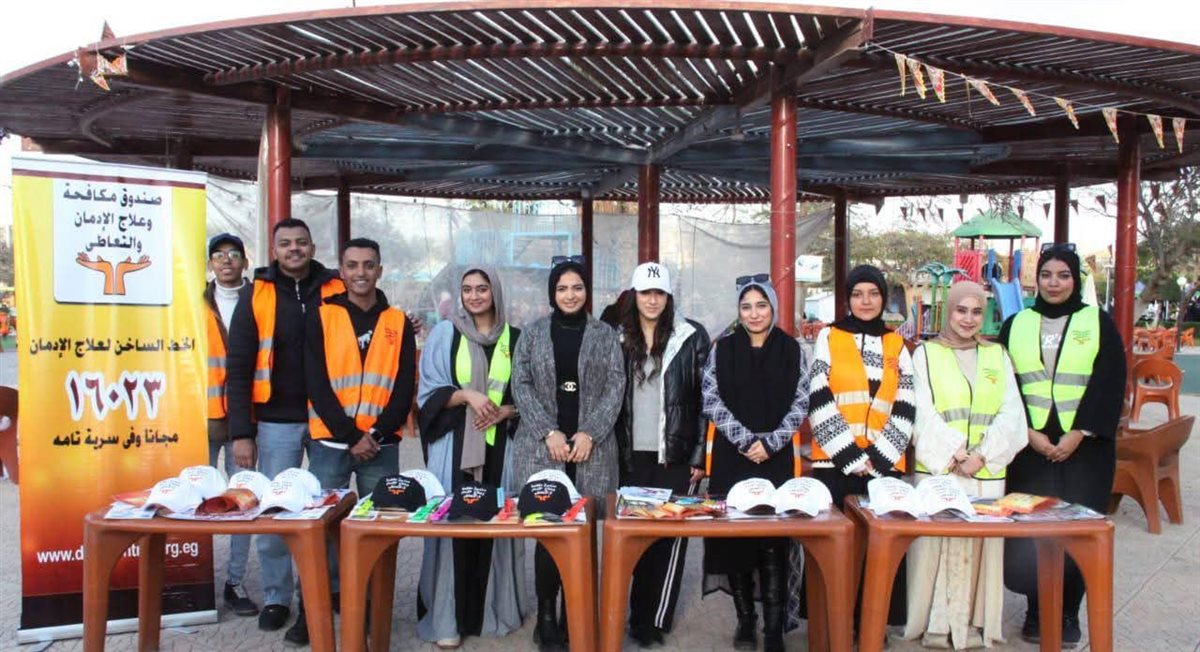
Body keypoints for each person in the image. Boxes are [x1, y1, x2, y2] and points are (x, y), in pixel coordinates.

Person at [999, 243, 1126, 648]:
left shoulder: (1097, 321)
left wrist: (1080, 432)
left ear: (1076, 279)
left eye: (1064, 275)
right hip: (1030, 446)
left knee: (1077, 529)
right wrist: (1028, 433)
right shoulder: (1016, 324)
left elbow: (1110, 379)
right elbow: (1004, 383)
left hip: (1085, 447)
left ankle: (1068, 611)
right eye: (1047, 275)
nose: (1054, 283)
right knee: (1031, 529)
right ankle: (1037, 609)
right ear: (1036, 279)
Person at [225, 217, 344, 640]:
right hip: (275, 420)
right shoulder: (256, 292)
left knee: (327, 508)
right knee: (275, 511)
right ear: (274, 250)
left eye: (301, 242)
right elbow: (238, 365)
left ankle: (329, 588)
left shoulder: (335, 286)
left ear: (312, 247)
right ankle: (278, 597)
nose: (294, 249)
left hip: (329, 418)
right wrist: (242, 432)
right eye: (286, 243)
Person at [299, 238, 416, 645]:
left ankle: (369, 605)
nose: (361, 273)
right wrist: (351, 435)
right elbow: (315, 382)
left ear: (380, 270)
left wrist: (377, 434)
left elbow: (403, 385)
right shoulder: (321, 316)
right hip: (331, 443)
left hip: (381, 446)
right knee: (319, 528)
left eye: (369, 265)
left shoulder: (398, 321)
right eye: (352, 265)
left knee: (377, 527)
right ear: (342, 271)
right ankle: (310, 608)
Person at [508, 256, 624, 652]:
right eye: (562, 288)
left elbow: (616, 386)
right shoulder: (533, 334)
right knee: (549, 532)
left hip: (592, 450)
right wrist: (548, 431)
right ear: (552, 293)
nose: (570, 295)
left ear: (587, 292)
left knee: (584, 531)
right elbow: (521, 384)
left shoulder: (605, 334)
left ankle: (575, 613)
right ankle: (546, 616)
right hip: (545, 450)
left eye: (577, 287)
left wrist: (590, 432)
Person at [904, 281, 1028, 649]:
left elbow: (1011, 412)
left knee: (981, 549)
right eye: (961, 310)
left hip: (986, 472)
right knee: (934, 546)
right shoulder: (925, 354)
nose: (968, 319)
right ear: (949, 311)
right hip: (941, 469)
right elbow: (920, 411)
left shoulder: (997, 355)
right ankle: (933, 624)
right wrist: (956, 454)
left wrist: (982, 455)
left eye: (976, 312)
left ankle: (976, 623)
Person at [416, 265, 525, 648]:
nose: (474, 296)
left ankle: (493, 611)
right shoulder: (445, 334)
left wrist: (507, 410)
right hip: (455, 447)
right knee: (453, 525)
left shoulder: (516, 338)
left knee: (496, 524)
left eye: (482, 288)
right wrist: (466, 396)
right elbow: (428, 393)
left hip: (500, 448)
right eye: (467, 289)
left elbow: (530, 395)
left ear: (495, 291)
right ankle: (447, 618)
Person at [702, 275, 809, 652]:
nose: (754, 313)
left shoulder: (793, 349)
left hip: (776, 460)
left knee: (774, 541)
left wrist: (772, 442)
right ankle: (745, 620)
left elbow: (802, 401)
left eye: (761, 305)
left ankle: (774, 628)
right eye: (746, 307)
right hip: (733, 458)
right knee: (737, 541)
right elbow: (710, 399)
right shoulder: (722, 349)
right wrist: (747, 440)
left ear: (773, 308)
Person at [806, 264, 915, 631]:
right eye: (857, 294)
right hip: (836, 464)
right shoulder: (829, 337)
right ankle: (832, 626)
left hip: (883, 467)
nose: (865, 301)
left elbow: (906, 403)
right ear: (847, 299)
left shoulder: (896, 344)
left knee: (879, 552)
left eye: (873, 294)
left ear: (883, 299)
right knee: (837, 551)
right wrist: (851, 456)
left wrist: (881, 457)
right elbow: (818, 396)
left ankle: (872, 627)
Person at [614, 262, 711, 647]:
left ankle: (653, 621)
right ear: (634, 296)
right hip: (631, 454)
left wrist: (699, 456)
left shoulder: (691, 336)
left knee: (668, 538)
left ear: (668, 297)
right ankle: (635, 615)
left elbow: (705, 402)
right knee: (636, 537)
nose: (652, 300)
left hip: (676, 454)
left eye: (659, 293)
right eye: (645, 293)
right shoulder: (619, 337)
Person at [203, 233, 259, 618]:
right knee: (195, 502)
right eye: (219, 255)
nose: (226, 261)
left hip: (246, 420)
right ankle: (195, 580)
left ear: (244, 262)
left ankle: (234, 581)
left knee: (243, 502)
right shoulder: (194, 303)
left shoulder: (260, 299)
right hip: (202, 418)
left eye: (234, 255)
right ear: (210, 263)